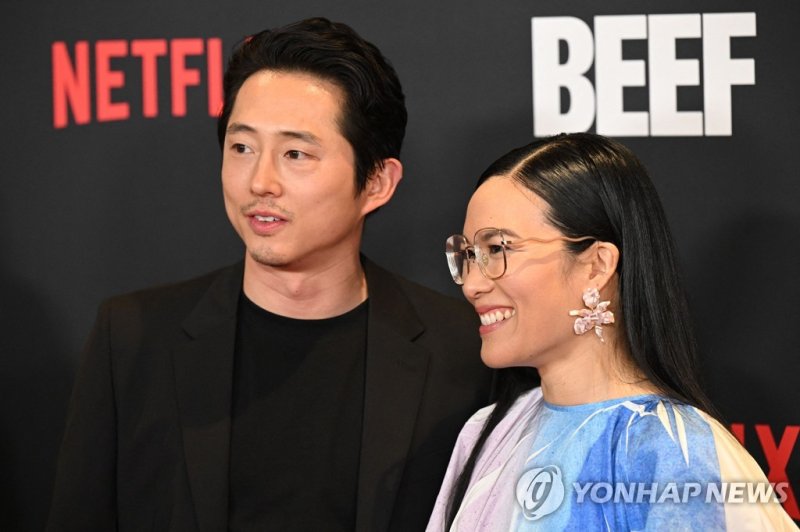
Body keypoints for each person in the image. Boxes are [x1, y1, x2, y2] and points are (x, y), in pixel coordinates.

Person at [47, 17, 493, 532]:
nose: (260, 181)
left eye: (295, 154)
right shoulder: (131, 338)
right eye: (242, 148)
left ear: (376, 181)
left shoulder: (461, 350)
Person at [426, 133, 798, 531]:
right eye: (468, 255)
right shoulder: (489, 431)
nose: (471, 283)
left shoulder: (673, 452)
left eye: (497, 249)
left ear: (597, 265)